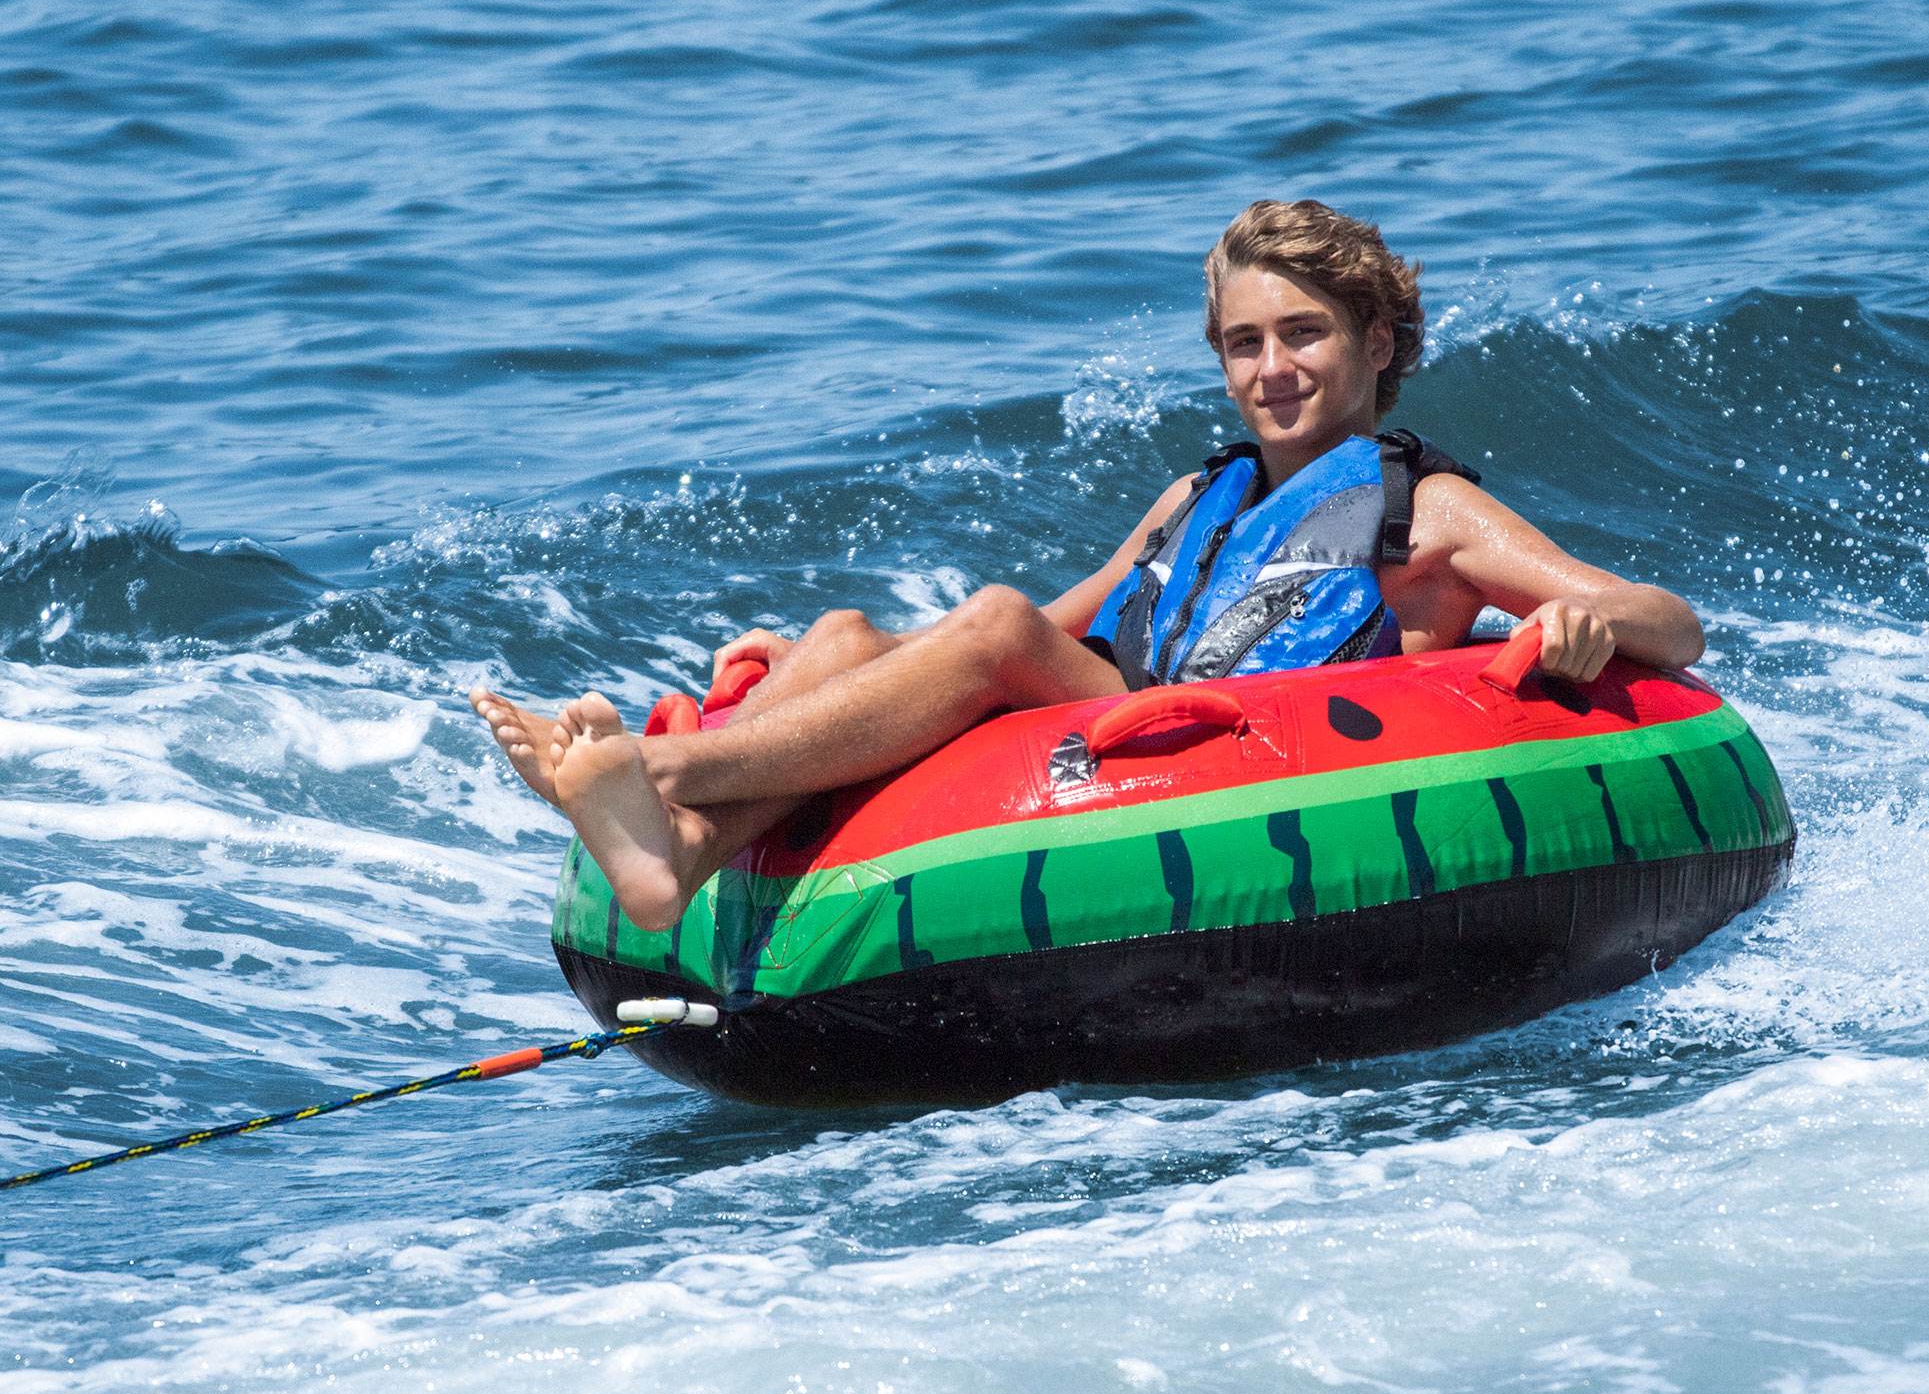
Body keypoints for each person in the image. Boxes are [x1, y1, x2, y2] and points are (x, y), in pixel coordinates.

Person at [472, 200, 1703, 931]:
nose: (1269, 369)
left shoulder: (1423, 506)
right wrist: (824, 666)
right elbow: (1072, 630)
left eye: (1302, 334)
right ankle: (673, 854)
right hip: (1122, 714)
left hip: (1241, 754)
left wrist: (1585, 630)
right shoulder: (1196, 495)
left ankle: (660, 774)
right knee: (853, 631)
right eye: (1241, 343)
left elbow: (1668, 624)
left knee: (996, 622)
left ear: (1377, 341)